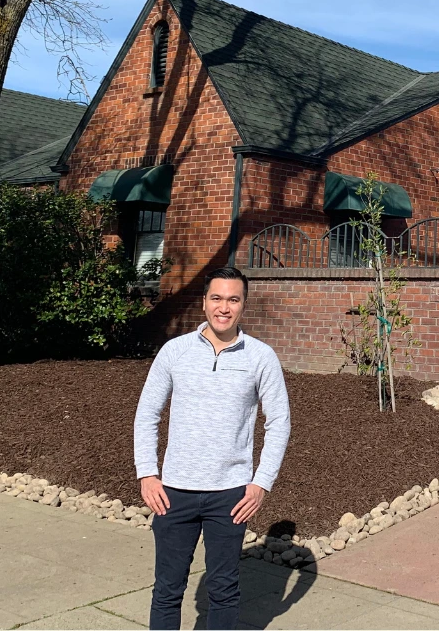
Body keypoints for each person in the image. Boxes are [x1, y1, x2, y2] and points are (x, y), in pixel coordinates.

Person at [134, 266, 291, 630]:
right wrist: (147, 474)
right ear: (204, 302)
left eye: (233, 299)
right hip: (174, 492)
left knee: (223, 589)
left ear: (243, 305)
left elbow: (279, 422)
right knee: (168, 589)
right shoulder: (175, 351)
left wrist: (261, 482)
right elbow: (147, 414)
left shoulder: (261, 357)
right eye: (217, 298)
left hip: (230, 495)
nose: (224, 307)